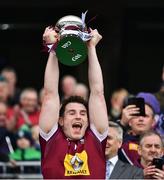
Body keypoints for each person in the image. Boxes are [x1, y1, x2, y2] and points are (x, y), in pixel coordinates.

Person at [39, 27, 108, 179]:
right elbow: (50, 94)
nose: (78, 117)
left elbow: (98, 93)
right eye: (72, 113)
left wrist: (91, 47)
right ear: (61, 121)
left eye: (83, 113)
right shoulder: (51, 138)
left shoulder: (96, 138)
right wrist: (53, 49)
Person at [118, 92, 161, 166]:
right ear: (129, 120)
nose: (141, 119)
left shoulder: (160, 144)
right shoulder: (119, 141)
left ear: (153, 121)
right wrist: (121, 124)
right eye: (137, 115)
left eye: (145, 116)